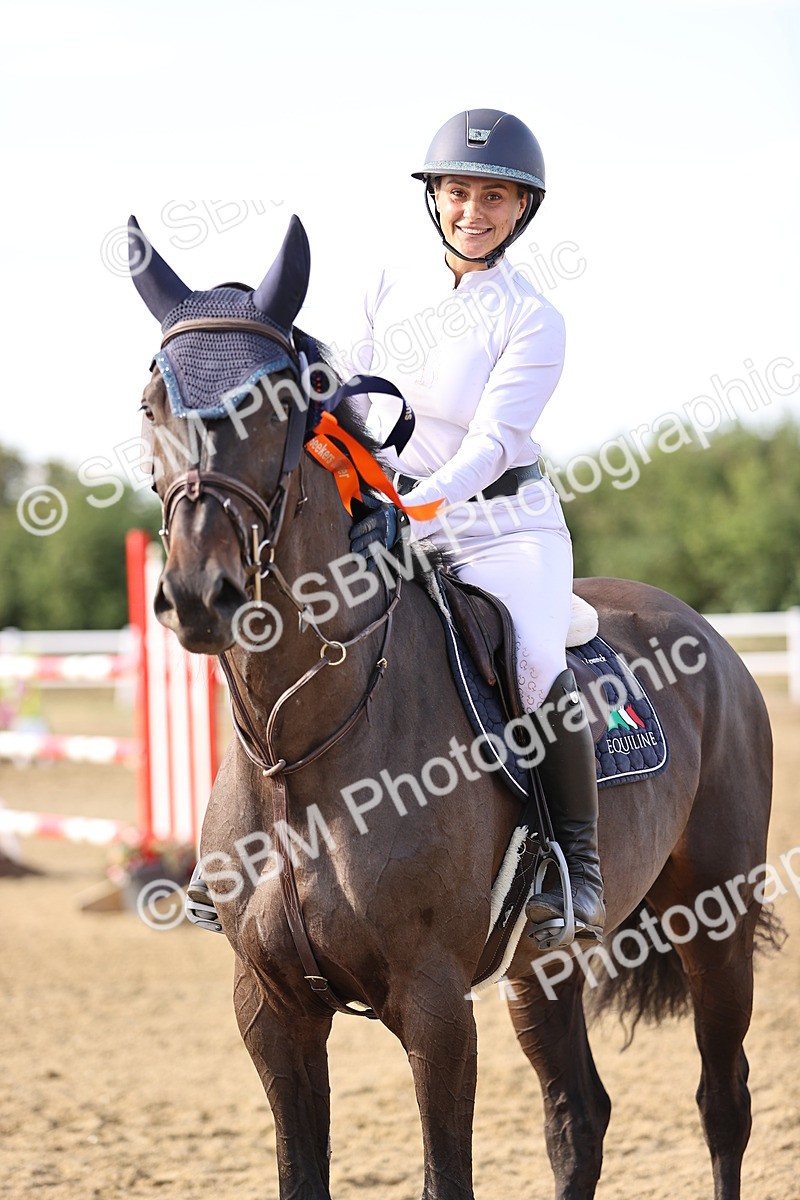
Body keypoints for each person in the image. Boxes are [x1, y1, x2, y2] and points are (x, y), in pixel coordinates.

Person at [346, 108, 605, 945]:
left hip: (504, 526)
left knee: (532, 661)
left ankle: (577, 863)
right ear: (436, 197)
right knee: (304, 627)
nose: (473, 211)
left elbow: (495, 443)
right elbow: (347, 384)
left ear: (521, 210)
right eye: (458, 192)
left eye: (494, 197)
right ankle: (238, 846)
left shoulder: (534, 317)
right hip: (392, 509)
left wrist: (420, 500)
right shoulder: (384, 278)